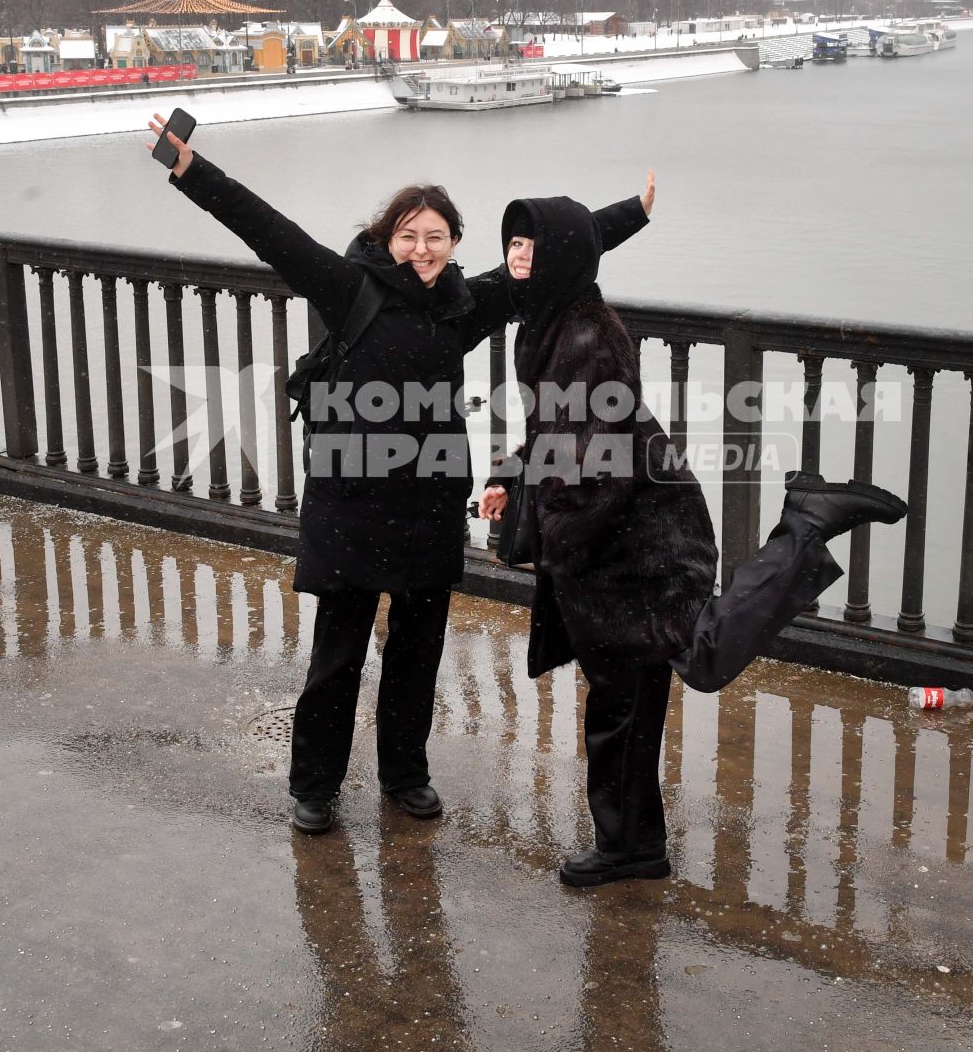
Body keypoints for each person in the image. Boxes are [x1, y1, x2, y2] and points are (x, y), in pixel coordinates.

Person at [147, 114, 654, 836]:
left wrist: (632, 214)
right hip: (352, 502)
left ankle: (404, 774)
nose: (422, 248)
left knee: (418, 654)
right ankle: (315, 785)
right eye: (409, 235)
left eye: (436, 236)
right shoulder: (346, 285)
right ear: (388, 238)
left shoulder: (463, 304)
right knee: (338, 657)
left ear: (453, 245)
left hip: (429, 503)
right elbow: (262, 225)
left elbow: (557, 254)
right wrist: (191, 169)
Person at [480, 195, 906, 888]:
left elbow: (596, 460)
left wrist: (547, 533)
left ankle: (804, 525)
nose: (516, 255)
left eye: (530, 244)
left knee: (692, 656)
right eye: (513, 243)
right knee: (625, 699)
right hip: (617, 542)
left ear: (561, 254)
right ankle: (632, 845)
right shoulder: (554, 324)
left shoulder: (586, 337)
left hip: (639, 543)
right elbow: (554, 434)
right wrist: (513, 473)